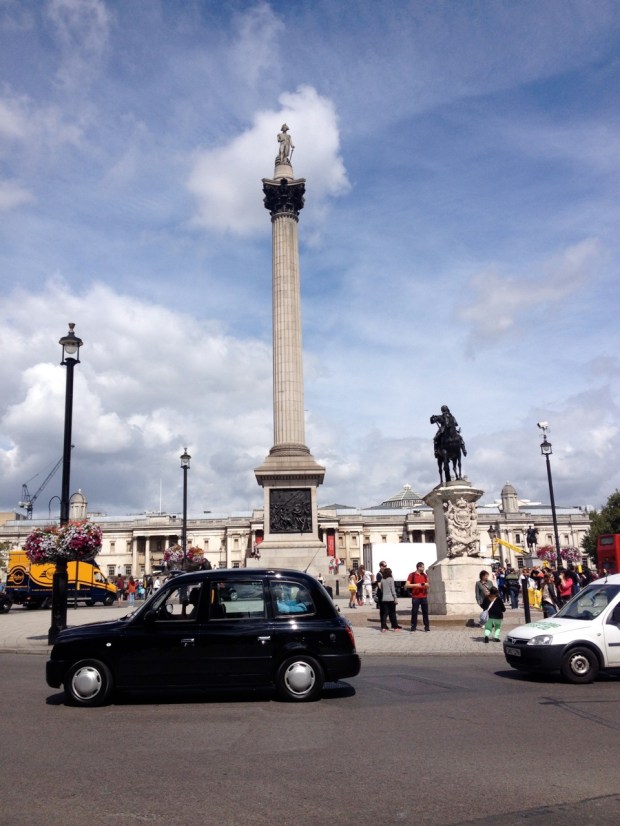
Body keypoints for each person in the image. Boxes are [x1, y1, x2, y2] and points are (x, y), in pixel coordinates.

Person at [405, 561, 430, 632]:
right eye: (422, 567)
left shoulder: (425, 575)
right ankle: (413, 626)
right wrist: (416, 585)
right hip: (415, 596)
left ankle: (427, 627)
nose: (424, 568)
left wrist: (425, 584)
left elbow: (428, 585)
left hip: (424, 596)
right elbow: (407, 585)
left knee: (425, 612)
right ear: (419, 567)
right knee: (414, 612)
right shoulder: (412, 575)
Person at [377, 567, 402, 632]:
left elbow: (381, 590)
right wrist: (395, 597)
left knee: (385, 613)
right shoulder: (391, 579)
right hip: (391, 598)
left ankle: (383, 627)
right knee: (392, 613)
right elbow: (393, 590)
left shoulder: (382, 580)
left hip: (384, 598)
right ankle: (395, 627)